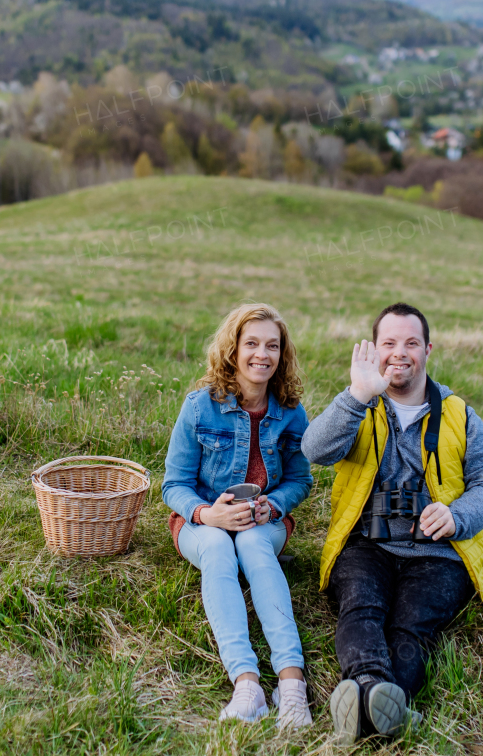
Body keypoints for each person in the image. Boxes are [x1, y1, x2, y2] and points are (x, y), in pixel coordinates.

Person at [302, 302, 483, 743]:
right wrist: (358, 395)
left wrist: (457, 516)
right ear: (374, 351)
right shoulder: (360, 403)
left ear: (428, 349)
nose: (400, 352)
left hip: (437, 552)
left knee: (411, 625)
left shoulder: (458, 414)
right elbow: (315, 450)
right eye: (389, 343)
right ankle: (379, 694)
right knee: (362, 606)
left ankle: (363, 706)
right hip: (366, 544)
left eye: (411, 342)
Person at [162, 303, 314, 728]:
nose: (261, 355)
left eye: (272, 346)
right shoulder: (199, 407)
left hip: (263, 524)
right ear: (232, 349)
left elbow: (301, 480)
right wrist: (206, 515)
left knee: (249, 541)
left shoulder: (290, 412)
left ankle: (292, 686)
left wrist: (275, 504)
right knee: (216, 545)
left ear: (282, 354)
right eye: (251, 344)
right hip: (203, 523)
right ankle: (247, 684)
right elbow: (172, 485)